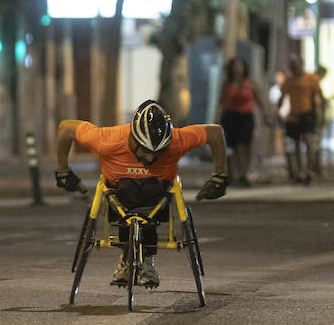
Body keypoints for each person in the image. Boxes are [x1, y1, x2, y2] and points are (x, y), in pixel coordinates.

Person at [54, 100, 228, 288]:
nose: (151, 159)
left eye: (158, 153)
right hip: (119, 198)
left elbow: (215, 133)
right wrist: (63, 170)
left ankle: (147, 261)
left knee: (150, 188)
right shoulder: (108, 140)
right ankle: (127, 259)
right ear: (134, 140)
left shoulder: (176, 141)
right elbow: (66, 128)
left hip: (157, 198)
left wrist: (219, 175)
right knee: (127, 188)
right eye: (146, 152)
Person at [215, 56, 272, 188]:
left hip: (245, 117)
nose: (237, 68)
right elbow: (221, 103)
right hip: (230, 117)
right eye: (235, 65)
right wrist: (217, 119)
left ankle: (244, 173)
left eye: (240, 65)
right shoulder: (227, 84)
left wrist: (265, 115)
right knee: (233, 148)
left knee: (245, 146)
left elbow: (259, 101)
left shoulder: (250, 84)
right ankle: (235, 174)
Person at [277, 57, 323, 184]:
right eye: (292, 65)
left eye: (297, 64)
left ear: (302, 64)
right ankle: (298, 172)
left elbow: (317, 96)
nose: (295, 67)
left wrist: (318, 114)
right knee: (294, 145)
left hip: (307, 114)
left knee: (309, 142)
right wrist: (278, 112)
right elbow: (282, 97)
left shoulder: (310, 79)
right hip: (293, 116)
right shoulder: (289, 81)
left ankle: (309, 170)